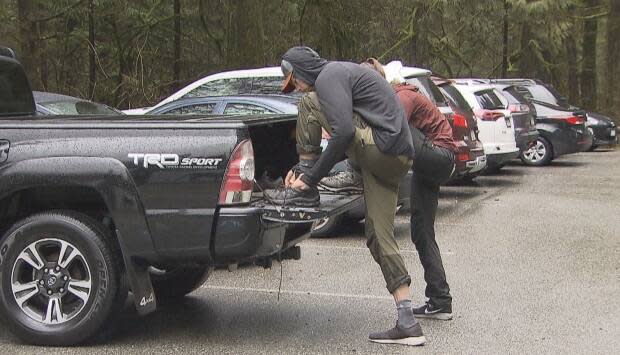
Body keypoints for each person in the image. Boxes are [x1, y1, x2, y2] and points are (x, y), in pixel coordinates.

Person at [266, 46, 425, 346]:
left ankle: (310, 183)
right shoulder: (344, 73)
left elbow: (343, 134)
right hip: (396, 159)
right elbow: (353, 123)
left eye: (294, 81)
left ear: (301, 70)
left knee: (308, 105)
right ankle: (408, 322)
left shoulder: (328, 76)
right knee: (378, 234)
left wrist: (309, 177)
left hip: (381, 148)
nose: (296, 87)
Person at [363, 58, 456, 320]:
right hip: (431, 164)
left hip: (440, 156)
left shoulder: (403, 96)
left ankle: (439, 298)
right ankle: (440, 300)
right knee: (421, 231)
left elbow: (392, 131)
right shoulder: (404, 94)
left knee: (396, 129)